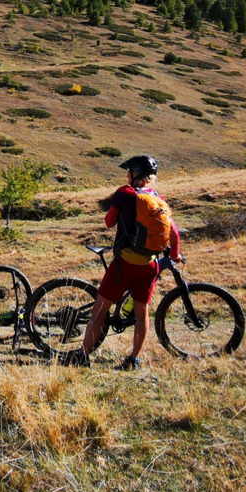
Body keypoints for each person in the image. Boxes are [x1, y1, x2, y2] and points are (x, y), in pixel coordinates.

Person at [71, 155, 182, 371]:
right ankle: (134, 360)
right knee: (142, 314)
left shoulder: (125, 193)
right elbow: (174, 233)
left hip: (125, 263)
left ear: (135, 174)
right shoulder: (157, 197)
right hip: (150, 265)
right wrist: (175, 256)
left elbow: (108, 222)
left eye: (129, 172)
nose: (127, 175)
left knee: (100, 311)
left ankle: (82, 355)